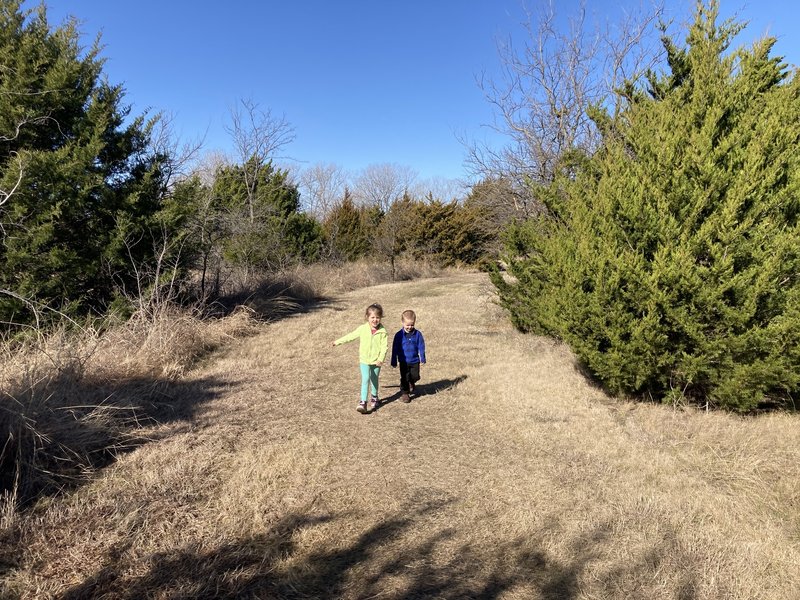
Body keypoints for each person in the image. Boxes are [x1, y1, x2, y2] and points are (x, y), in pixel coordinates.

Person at [332, 303, 388, 414]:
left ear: (380, 318)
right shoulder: (362, 329)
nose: (375, 320)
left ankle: (374, 397)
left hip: (376, 361)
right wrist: (337, 342)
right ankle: (363, 402)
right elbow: (351, 336)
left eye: (377, 317)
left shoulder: (383, 332)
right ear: (367, 317)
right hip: (364, 360)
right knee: (365, 379)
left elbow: (384, 347)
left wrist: (380, 359)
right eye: (372, 317)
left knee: (374, 379)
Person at [390, 309, 426, 403]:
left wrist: (422, 357)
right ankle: (405, 393)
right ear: (402, 322)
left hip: (414, 360)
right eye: (408, 325)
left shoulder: (417, 334)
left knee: (416, 376)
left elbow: (421, 346)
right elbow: (395, 348)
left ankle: (411, 382)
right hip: (403, 361)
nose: (410, 327)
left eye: (412, 325)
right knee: (404, 377)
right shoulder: (398, 335)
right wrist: (394, 360)